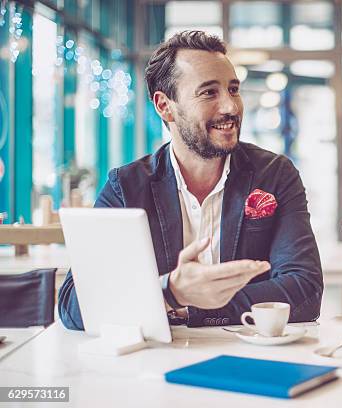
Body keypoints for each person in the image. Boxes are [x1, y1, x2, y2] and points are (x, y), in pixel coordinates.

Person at [59, 31, 323, 329]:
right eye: (209, 92)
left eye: (233, 89)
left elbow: (306, 291)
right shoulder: (126, 187)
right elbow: (74, 306)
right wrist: (170, 292)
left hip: (253, 357)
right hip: (155, 365)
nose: (231, 107)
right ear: (164, 106)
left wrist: (194, 307)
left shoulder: (274, 174)